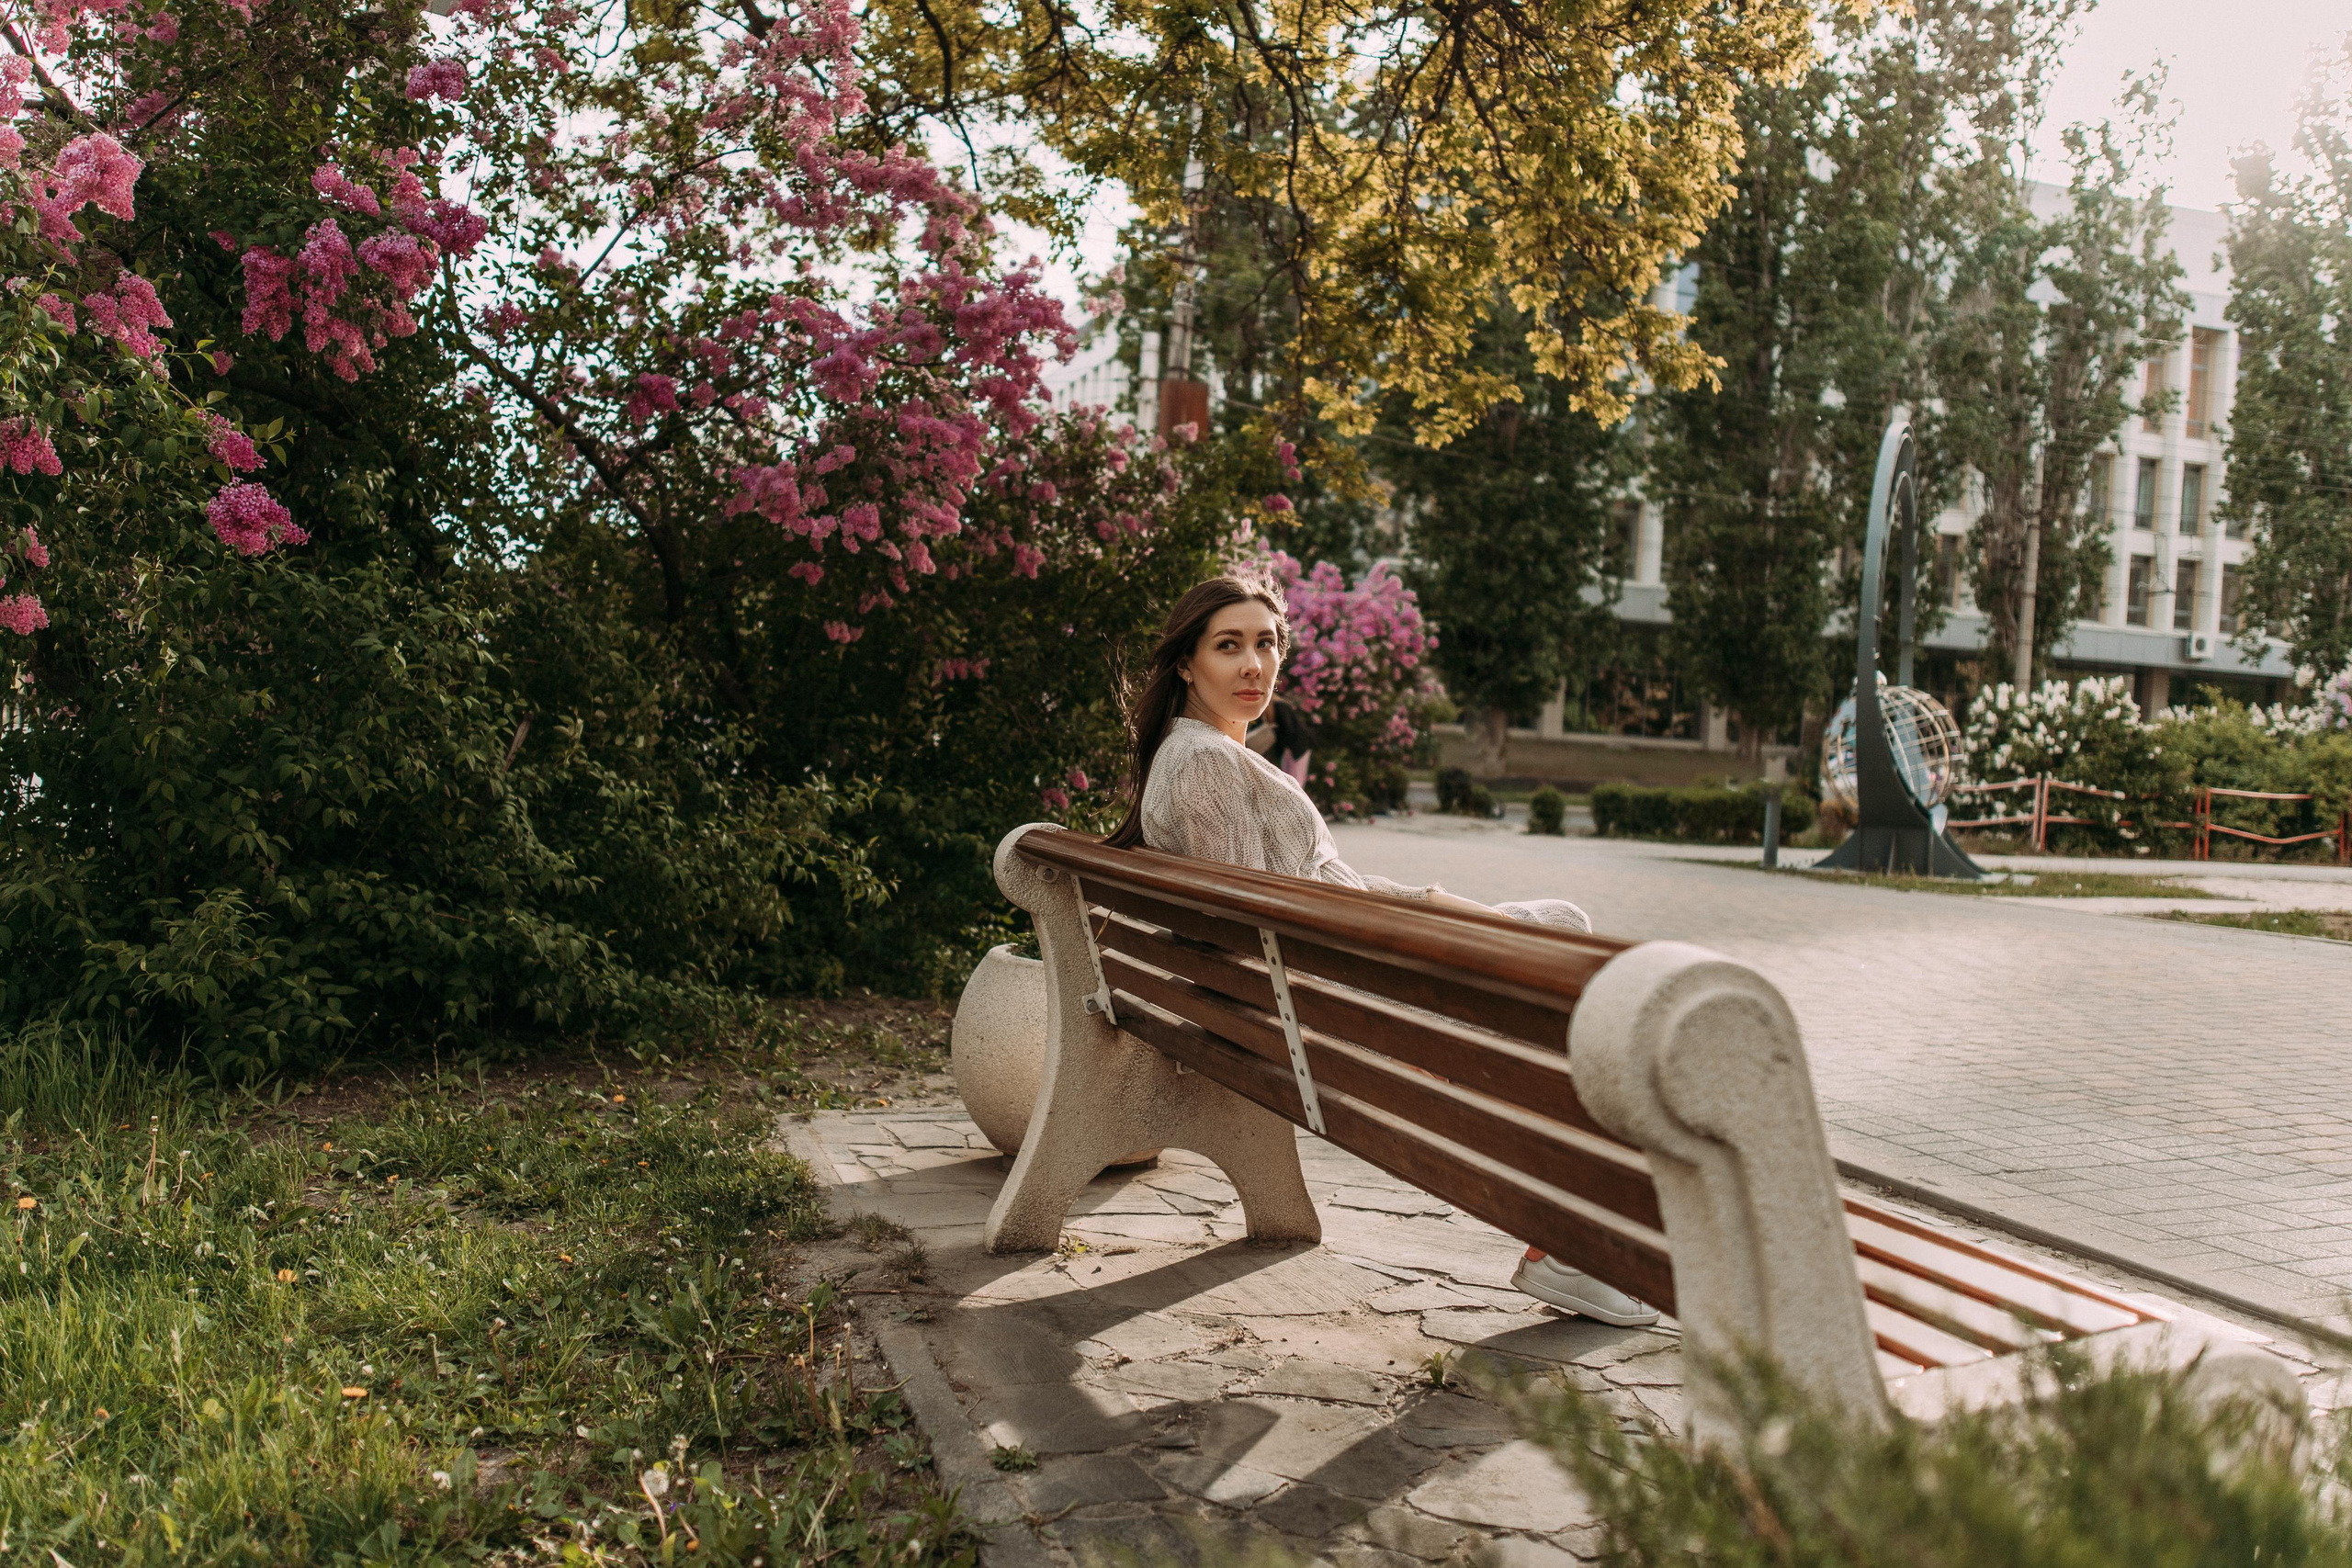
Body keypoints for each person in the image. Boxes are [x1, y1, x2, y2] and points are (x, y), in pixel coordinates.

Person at [1103, 572, 1657, 1327]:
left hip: (1324, 982)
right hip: (1330, 997)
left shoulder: (1198, 751)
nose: (1252, 665)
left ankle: (1583, 1226)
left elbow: (1268, 904)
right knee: (1562, 942)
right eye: (1227, 646)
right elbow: (1246, 924)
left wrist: (1425, 907)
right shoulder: (1202, 764)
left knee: (1559, 924)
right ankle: (1573, 1239)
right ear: (1185, 664)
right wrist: (1430, 911)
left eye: (1264, 644)